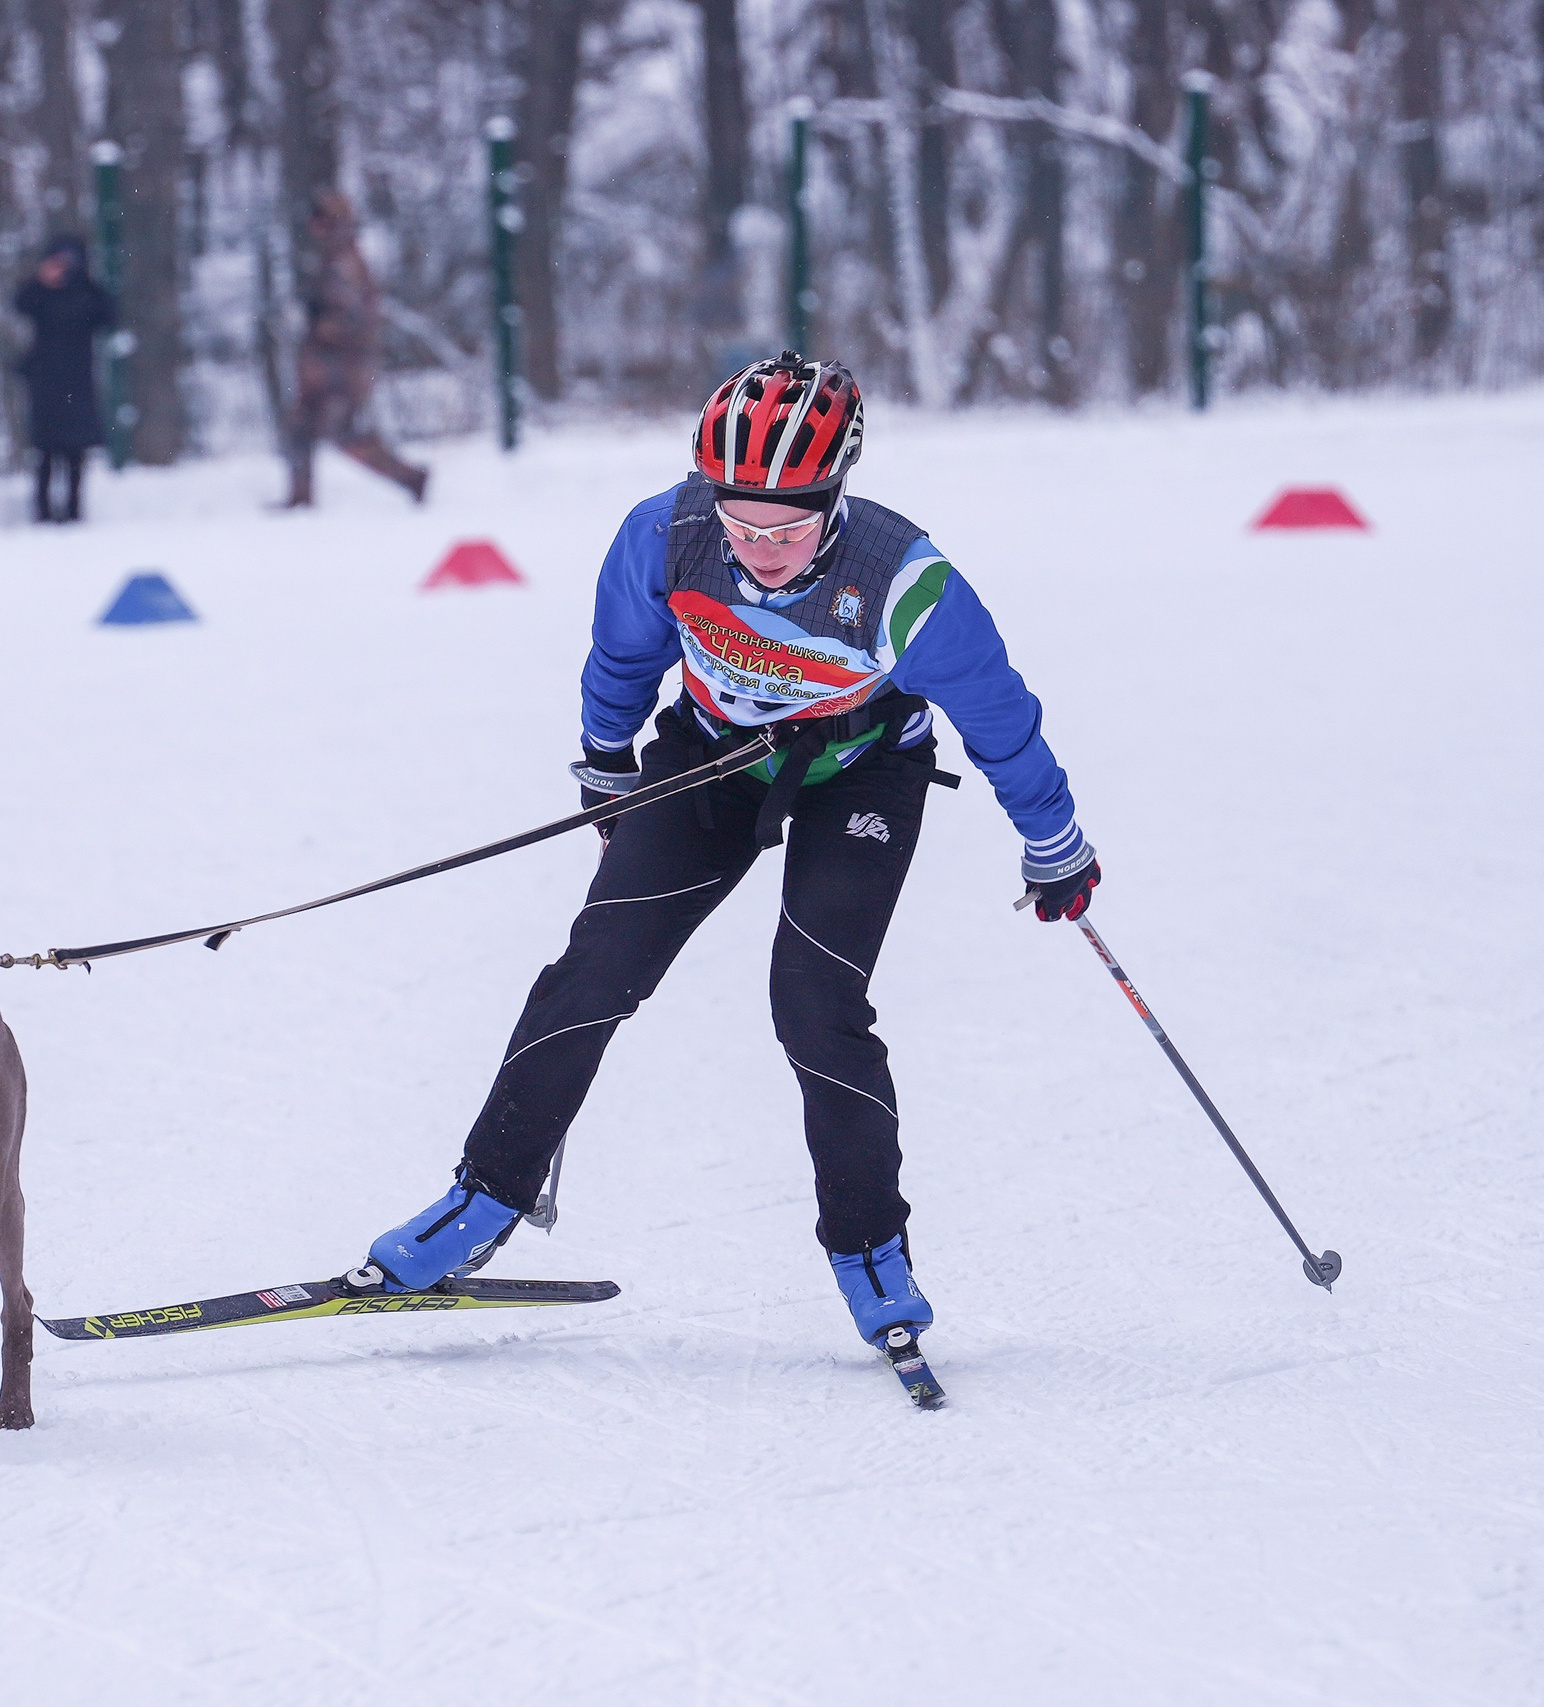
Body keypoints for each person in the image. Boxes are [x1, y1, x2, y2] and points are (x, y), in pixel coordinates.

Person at [359, 352, 1101, 1357]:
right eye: (741, 522)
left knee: (815, 1002)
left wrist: (1053, 842)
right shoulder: (664, 535)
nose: (761, 549)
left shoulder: (908, 585)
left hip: (860, 773)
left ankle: (869, 1245)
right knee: (595, 968)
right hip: (713, 754)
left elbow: (1000, 720)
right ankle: (485, 1196)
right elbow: (624, 656)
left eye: (788, 527)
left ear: (835, 497)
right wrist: (606, 763)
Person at [283, 189, 428, 508]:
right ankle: (300, 497)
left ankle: (410, 478)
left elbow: (354, 319)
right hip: (327, 366)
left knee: (342, 433)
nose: (312, 226)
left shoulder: (345, 262)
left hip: (341, 368)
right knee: (302, 427)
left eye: (319, 219)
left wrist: (319, 322)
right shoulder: (333, 258)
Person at [12, 237, 116, 524]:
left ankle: (73, 509)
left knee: (75, 452)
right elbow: (21, 303)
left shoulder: (86, 294)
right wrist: (41, 281)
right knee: (45, 451)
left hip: (77, 380)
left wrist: (80, 282)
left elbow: (108, 314)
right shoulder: (40, 293)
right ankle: (42, 510)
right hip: (45, 380)